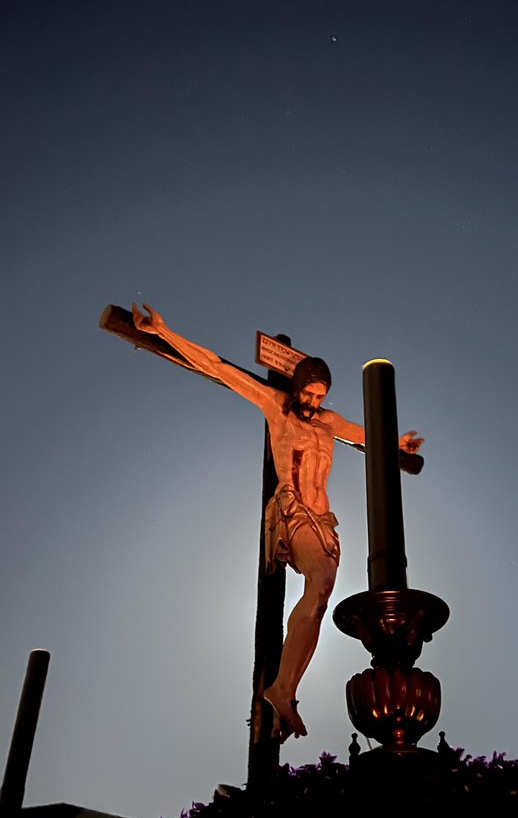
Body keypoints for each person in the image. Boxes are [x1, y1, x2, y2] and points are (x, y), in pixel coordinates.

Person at [131, 303, 424, 743]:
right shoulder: (277, 407)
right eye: (309, 393)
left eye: (320, 396)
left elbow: (366, 435)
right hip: (292, 512)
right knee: (321, 584)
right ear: (298, 386)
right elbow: (217, 366)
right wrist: (165, 331)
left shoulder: (328, 422)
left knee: (321, 598)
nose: (312, 402)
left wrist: (396, 440)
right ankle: (279, 688)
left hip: (325, 522)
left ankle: (284, 688)